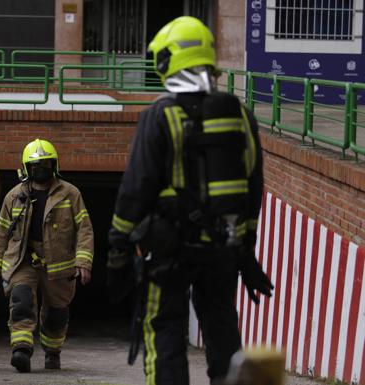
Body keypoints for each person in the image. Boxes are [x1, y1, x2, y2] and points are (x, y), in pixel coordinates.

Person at [106, 16, 274, 385]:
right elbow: (252, 187)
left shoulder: (159, 116)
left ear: (167, 60)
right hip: (222, 251)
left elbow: (136, 190)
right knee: (223, 332)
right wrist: (245, 252)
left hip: (168, 253)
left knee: (163, 333)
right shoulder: (240, 115)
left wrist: (117, 250)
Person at [0, 139, 94, 373]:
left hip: (59, 264)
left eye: (45, 163)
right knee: (22, 301)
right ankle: (21, 350)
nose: (40, 169)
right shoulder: (14, 196)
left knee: (56, 313)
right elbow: (1, 234)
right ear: (26, 168)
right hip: (23, 260)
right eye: (35, 165)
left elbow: (85, 229)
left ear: (54, 165)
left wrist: (83, 261)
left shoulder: (70, 194)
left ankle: (53, 352)